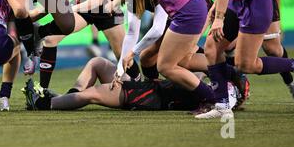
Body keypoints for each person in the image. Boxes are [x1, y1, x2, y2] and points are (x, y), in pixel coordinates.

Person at [23, 57, 238, 112]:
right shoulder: (204, 85)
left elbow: (197, 73)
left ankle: (44, 104)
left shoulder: (204, 92)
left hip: (148, 97)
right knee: (97, 63)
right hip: (147, 87)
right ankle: (64, 100)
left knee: (91, 94)